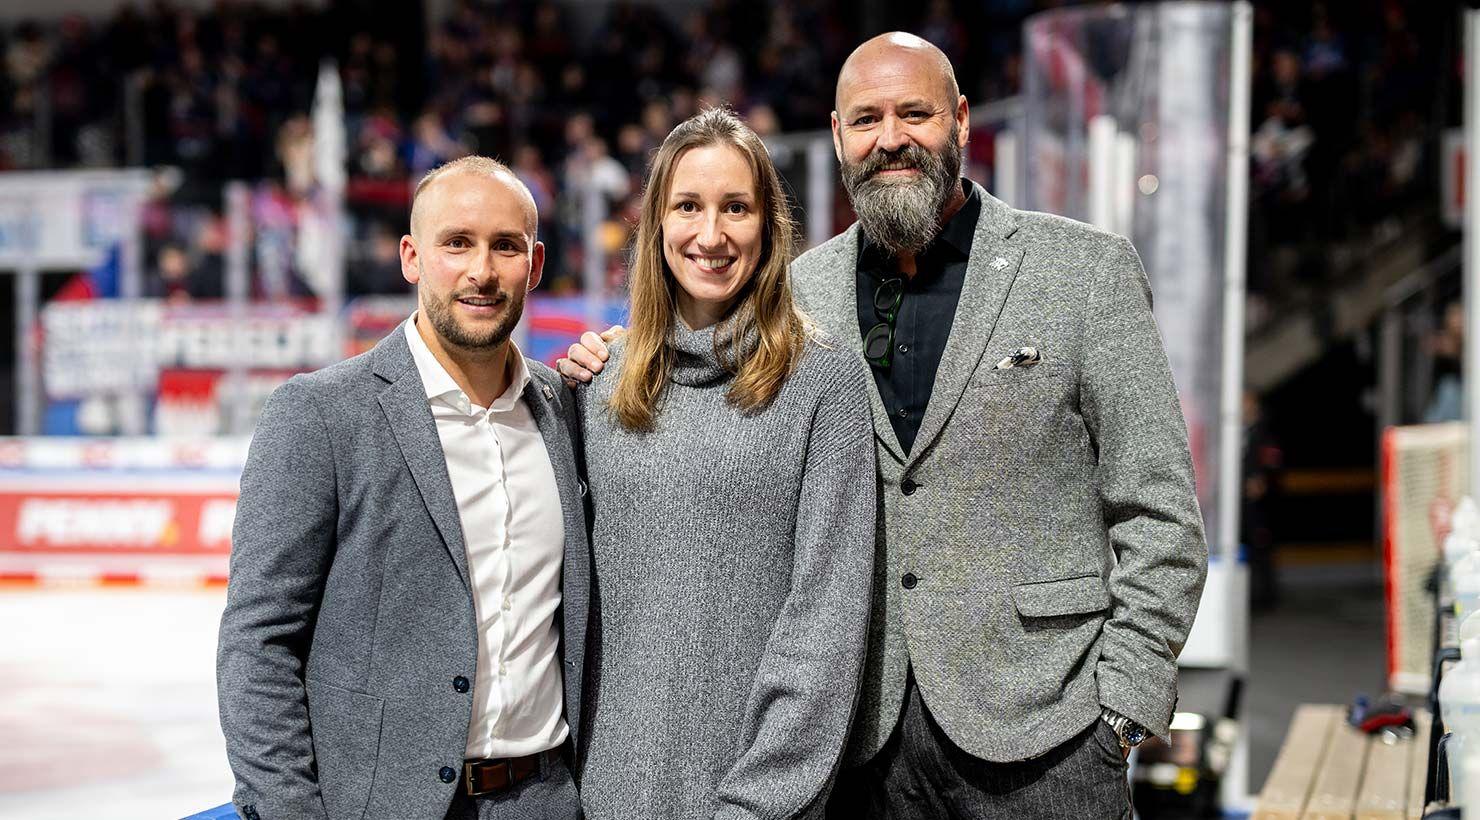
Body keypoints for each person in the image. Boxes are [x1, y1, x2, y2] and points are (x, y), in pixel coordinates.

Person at [561, 33, 1208, 819]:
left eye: (915, 113)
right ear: (837, 136)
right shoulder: (800, 292)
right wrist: (608, 355)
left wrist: (1121, 709)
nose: (891, 138)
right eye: (866, 119)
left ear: (962, 120)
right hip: (866, 747)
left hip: (1047, 734)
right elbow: (690, 373)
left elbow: (1160, 509)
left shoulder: (1084, 270)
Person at [218, 156, 588, 820]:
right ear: (412, 258)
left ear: (533, 267)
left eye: (505, 247)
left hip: (546, 801)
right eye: (457, 243)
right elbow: (257, 644)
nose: (481, 270)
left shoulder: (567, 409)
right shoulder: (321, 415)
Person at [573, 108, 876, 820]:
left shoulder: (822, 386)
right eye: (688, 206)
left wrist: (758, 805)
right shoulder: (597, 385)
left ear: (768, 225)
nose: (711, 235)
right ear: (656, 224)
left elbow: (825, 632)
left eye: (735, 208)